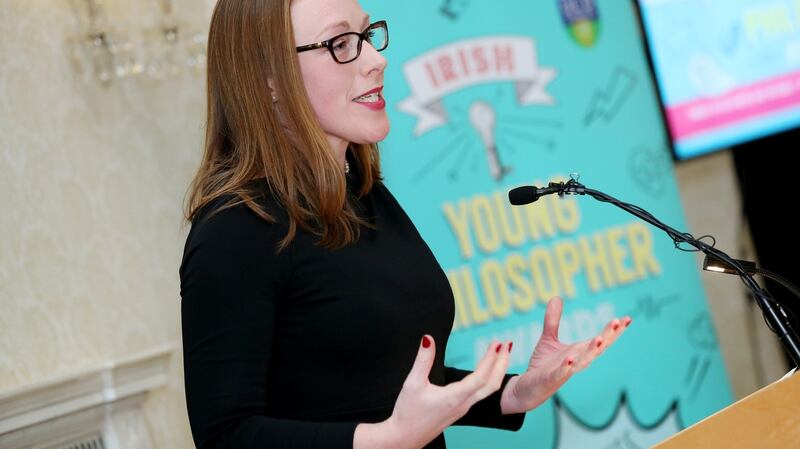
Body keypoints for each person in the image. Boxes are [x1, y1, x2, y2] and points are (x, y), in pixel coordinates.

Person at [179, 0, 632, 448]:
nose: (377, 60)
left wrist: (515, 393)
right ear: (269, 80)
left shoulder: (363, 192)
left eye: (367, 35)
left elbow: (387, 385)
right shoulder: (233, 231)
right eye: (340, 44)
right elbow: (226, 435)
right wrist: (386, 441)